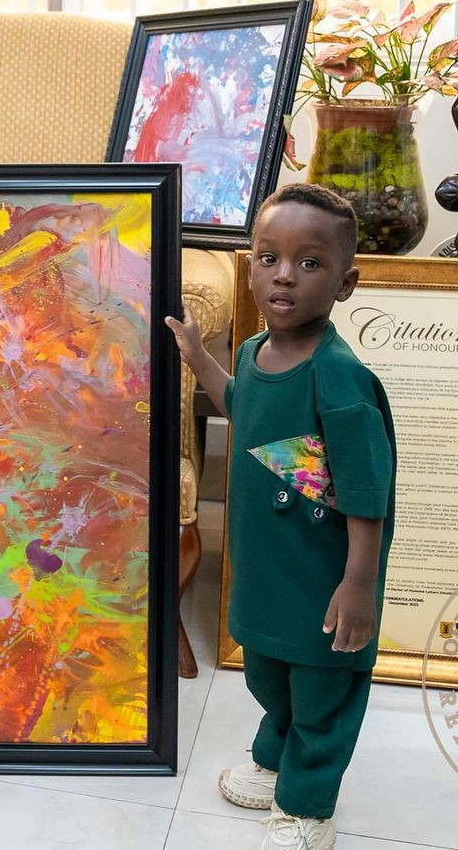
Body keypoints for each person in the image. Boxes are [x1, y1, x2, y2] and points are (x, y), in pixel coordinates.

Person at [167, 184, 396, 850]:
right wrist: (198, 355)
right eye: (269, 258)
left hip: (323, 576)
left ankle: (307, 805)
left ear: (345, 283)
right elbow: (244, 407)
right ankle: (274, 762)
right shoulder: (252, 352)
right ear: (250, 269)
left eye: (309, 262)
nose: (285, 274)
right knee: (269, 670)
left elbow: (367, 491)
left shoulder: (340, 379)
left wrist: (359, 584)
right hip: (268, 568)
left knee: (321, 690)